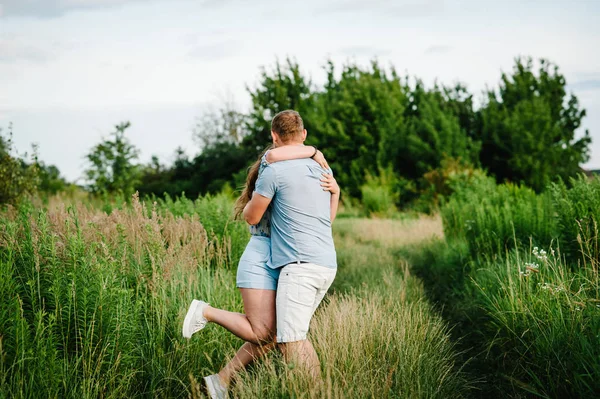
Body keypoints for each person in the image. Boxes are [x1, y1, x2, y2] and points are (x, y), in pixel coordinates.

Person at [182, 122, 339, 398]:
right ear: (301, 136)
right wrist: (313, 151)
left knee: (275, 334)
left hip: (285, 262)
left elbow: (320, 222)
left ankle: (221, 381)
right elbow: (270, 163)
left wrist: (333, 188)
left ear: (275, 135)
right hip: (261, 261)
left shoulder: (303, 176)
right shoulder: (271, 172)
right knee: (264, 333)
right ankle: (205, 311)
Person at [243, 110, 338, 380]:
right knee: (291, 336)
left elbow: (252, 217)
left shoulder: (274, 169)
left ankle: (317, 392)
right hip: (326, 263)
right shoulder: (322, 168)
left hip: (299, 267)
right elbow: (326, 220)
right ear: (304, 134)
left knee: (291, 342)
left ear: (274, 136)